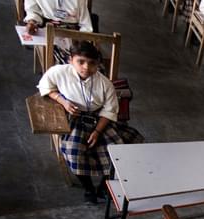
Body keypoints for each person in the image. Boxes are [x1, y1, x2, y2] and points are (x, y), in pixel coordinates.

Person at [37, 41, 144, 204]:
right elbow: (46, 86)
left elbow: (109, 110)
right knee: (75, 152)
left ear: (98, 64)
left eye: (92, 63)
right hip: (75, 117)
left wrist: (97, 131)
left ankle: (103, 186)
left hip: (98, 119)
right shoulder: (58, 72)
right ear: (71, 60)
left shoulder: (105, 83)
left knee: (118, 149)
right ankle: (88, 188)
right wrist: (62, 101)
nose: (86, 67)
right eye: (81, 61)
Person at [24, 0, 96, 64]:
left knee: (85, 60)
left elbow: (85, 25)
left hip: (72, 32)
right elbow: (32, 11)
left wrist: (82, 44)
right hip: (48, 28)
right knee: (65, 64)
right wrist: (32, 21)